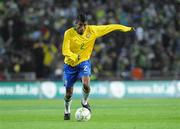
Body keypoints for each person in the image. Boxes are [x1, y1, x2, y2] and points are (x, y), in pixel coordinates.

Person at [62, 13, 135, 120]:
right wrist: (74, 56)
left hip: (84, 63)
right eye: (77, 25)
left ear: (85, 25)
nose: (79, 27)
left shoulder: (92, 31)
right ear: (75, 24)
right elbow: (65, 50)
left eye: (82, 25)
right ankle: (67, 109)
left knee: (86, 85)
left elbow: (110, 27)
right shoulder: (68, 33)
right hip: (70, 65)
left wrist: (126, 28)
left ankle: (84, 102)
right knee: (69, 93)